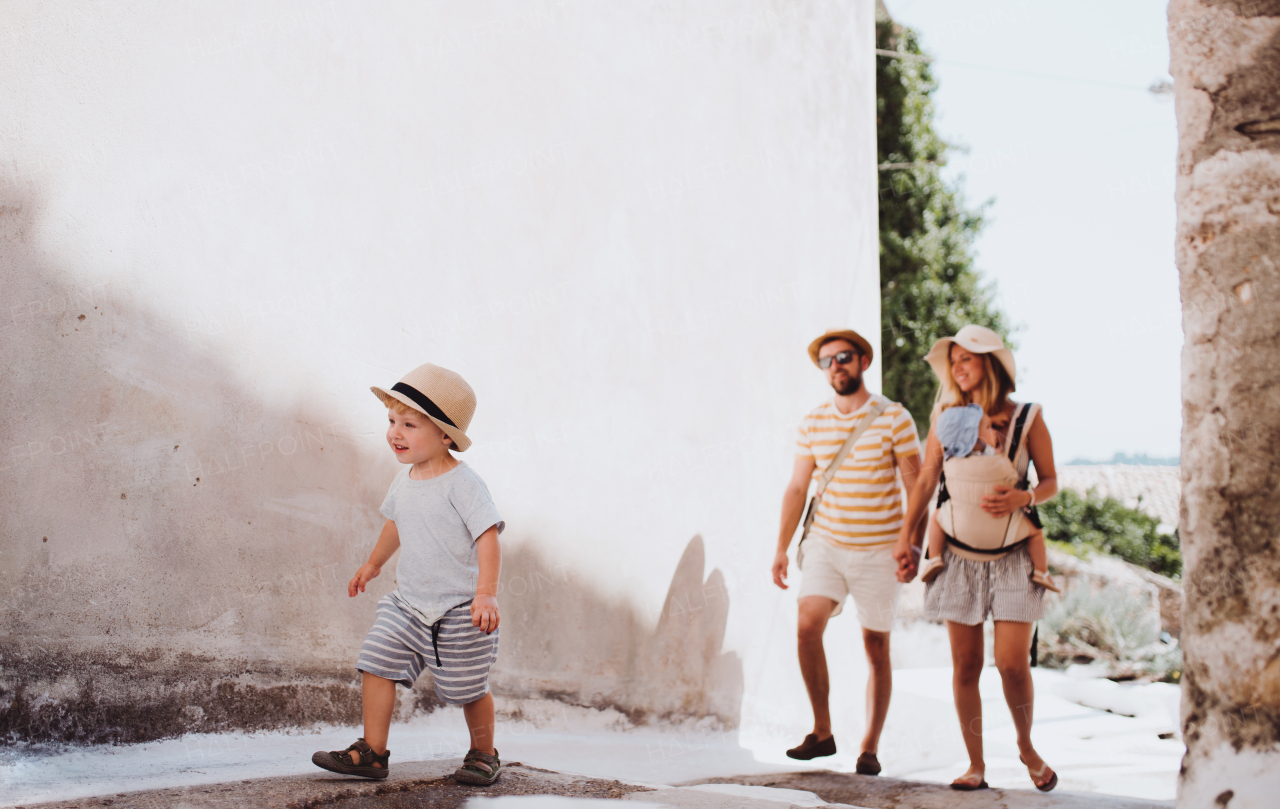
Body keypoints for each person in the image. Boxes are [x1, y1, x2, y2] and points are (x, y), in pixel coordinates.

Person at [312, 363, 506, 786]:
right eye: (392, 421)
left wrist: (485, 594)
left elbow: (488, 538)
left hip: (460, 611)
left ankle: (483, 753)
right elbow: (395, 525)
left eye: (409, 424)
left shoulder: (465, 485)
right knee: (377, 662)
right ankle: (372, 752)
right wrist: (373, 563)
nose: (395, 432)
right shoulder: (405, 481)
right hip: (408, 604)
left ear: (445, 435)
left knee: (468, 689)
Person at [893, 325, 1059, 793]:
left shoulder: (1028, 416)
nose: (959, 367)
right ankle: (975, 765)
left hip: (1013, 557)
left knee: (1011, 663)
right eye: (955, 360)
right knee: (965, 666)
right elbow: (926, 483)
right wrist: (906, 537)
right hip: (958, 560)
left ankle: (1026, 747)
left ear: (991, 364)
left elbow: (1050, 482)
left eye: (968, 358)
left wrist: (1022, 497)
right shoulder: (945, 416)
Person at [772, 329, 922, 775]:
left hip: (881, 550)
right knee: (806, 625)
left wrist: (912, 542)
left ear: (863, 361)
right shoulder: (812, 422)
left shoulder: (895, 417)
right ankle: (822, 732)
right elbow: (799, 487)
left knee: (875, 646)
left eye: (844, 357)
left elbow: (916, 485)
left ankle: (870, 747)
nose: (836, 365)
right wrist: (780, 547)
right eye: (827, 361)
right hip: (827, 545)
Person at [917, 404, 1058, 593]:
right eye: (988, 427)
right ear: (974, 436)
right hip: (1005, 537)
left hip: (959, 536)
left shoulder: (951, 463)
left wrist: (982, 424)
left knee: (936, 517)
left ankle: (934, 558)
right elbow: (1011, 476)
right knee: (1035, 531)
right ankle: (1042, 571)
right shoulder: (997, 462)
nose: (994, 431)